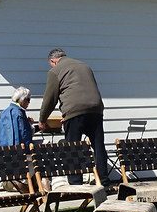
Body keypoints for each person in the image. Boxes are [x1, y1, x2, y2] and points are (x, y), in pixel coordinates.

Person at [37, 48, 110, 185]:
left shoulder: (55, 71)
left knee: (72, 148)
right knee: (98, 145)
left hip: (74, 111)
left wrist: (42, 120)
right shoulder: (85, 66)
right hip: (96, 109)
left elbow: (50, 99)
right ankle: (104, 180)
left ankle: (76, 182)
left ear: (53, 61)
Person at [0, 87, 34, 192]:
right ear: (22, 100)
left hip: (4, 156)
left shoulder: (4, 112)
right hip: (18, 158)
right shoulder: (18, 114)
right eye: (28, 100)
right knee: (43, 156)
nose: (29, 103)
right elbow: (24, 137)